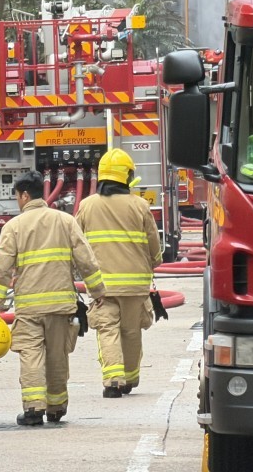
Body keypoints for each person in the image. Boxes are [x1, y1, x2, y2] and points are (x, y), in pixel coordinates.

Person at [0, 170, 106, 426]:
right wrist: (97, 292)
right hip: (61, 306)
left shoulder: (13, 227)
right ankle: (56, 407)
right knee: (57, 356)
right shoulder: (65, 221)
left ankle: (33, 408)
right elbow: (85, 259)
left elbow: (2, 269)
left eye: (17, 196)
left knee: (31, 354)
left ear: (24, 195)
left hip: (29, 307)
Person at [76, 149, 162, 397]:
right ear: (127, 175)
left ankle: (113, 380)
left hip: (101, 285)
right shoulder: (140, 205)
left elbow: (77, 242)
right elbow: (153, 243)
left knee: (108, 330)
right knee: (131, 332)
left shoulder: (87, 206)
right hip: (135, 286)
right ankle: (130, 378)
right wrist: (155, 261)